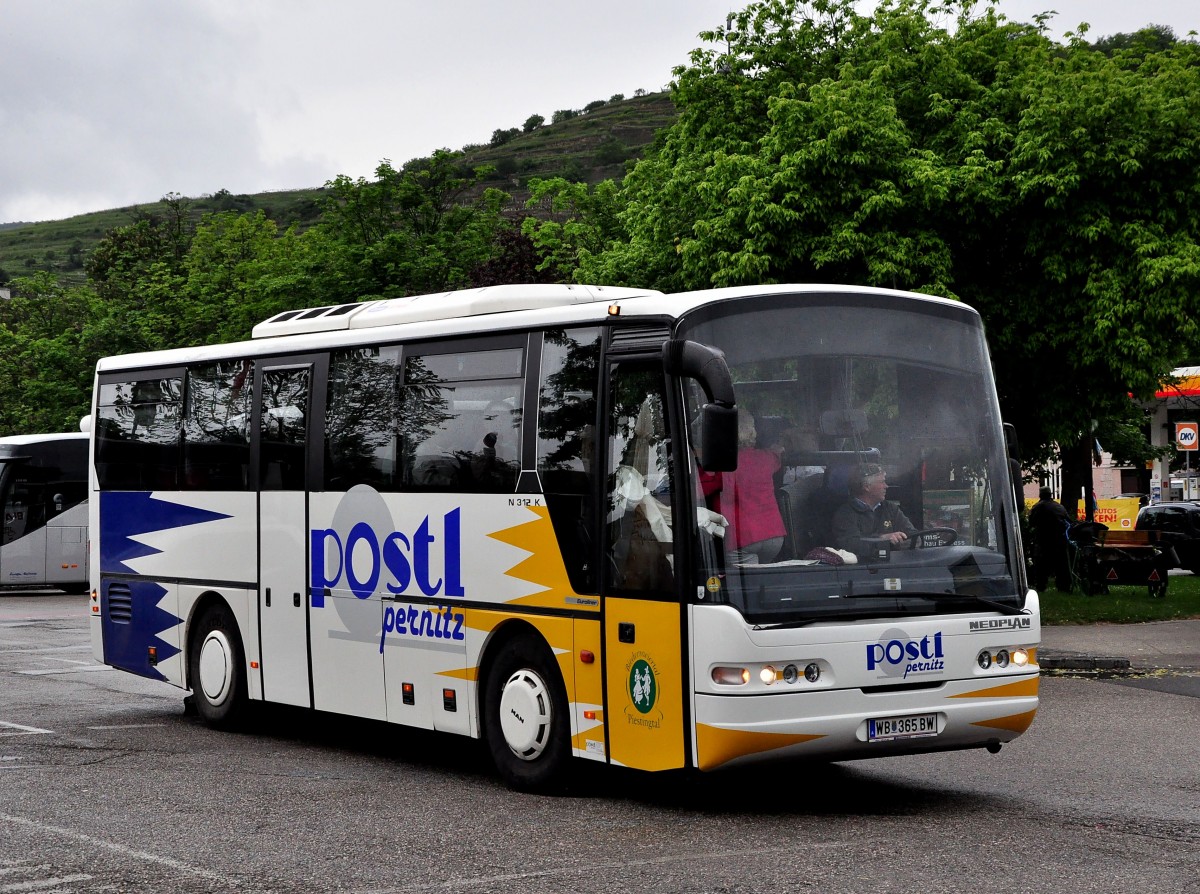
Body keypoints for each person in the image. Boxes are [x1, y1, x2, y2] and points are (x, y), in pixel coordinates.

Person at [700, 409, 786, 564]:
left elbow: (698, 492)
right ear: (752, 431)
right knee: (765, 584)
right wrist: (777, 449)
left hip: (742, 539)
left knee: (750, 586)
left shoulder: (721, 464)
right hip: (774, 536)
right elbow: (776, 456)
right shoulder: (765, 457)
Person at [831, 463, 917, 559]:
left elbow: (915, 537)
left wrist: (900, 541)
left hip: (894, 567)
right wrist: (882, 539)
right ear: (867, 487)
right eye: (882, 482)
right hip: (860, 570)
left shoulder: (891, 509)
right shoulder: (845, 514)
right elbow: (850, 546)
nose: (886, 486)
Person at [1028, 486, 1072, 592]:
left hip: (1043, 540)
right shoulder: (1059, 507)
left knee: (1041, 565)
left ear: (1040, 495)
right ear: (1050, 494)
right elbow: (1068, 521)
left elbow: (1031, 523)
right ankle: (1063, 586)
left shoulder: (1037, 507)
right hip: (1060, 541)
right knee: (1061, 565)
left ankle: (1041, 586)